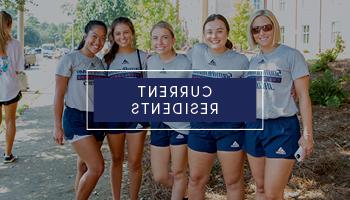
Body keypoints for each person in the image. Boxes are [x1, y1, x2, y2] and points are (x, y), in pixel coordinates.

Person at [243, 9, 314, 200]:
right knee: (260, 188)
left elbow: (304, 96)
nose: (262, 33)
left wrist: (307, 134)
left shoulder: (291, 55)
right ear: (252, 34)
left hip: (282, 128)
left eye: (266, 27)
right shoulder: (253, 61)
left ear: (275, 27)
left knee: (273, 193)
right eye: (256, 30)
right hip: (254, 126)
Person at [186, 14, 249, 200]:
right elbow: (173, 62)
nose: (214, 36)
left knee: (233, 181)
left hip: (229, 128)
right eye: (210, 32)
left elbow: (254, 90)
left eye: (219, 31)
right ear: (204, 35)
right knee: (196, 179)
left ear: (227, 33)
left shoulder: (241, 61)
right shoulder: (196, 52)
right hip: (200, 126)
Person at [53, 20, 107, 200]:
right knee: (97, 167)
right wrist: (57, 126)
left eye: (102, 38)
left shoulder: (100, 64)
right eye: (94, 36)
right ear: (85, 36)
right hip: (76, 118)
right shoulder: (70, 59)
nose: (98, 42)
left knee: (84, 167)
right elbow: (59, 95)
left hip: (97, 120)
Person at [103, 17, 148, 200]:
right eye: (118, 33)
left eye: (126, 32)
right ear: (113, 37)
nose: (122, 36)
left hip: (137, 116)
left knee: (135, 162)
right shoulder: (106, 59)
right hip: (113, 115)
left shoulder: (143, 57)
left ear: (132, 33)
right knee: (116, 159)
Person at [146, 21, 191, 200]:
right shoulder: (150, 62)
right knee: (160, 176)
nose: (160, 42)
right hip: (158, 123)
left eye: (165, 37)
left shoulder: (186, 62)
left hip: (181, 124)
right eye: (155, 38)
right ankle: (188, 191)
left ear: (173, 39)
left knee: (179, 172)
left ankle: (181, 192)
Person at [0, 11, 24, 163]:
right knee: (9, 121)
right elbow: (18, 68)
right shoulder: (15, 44)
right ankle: (8, 155)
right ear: (9, 25)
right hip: (10, 88)